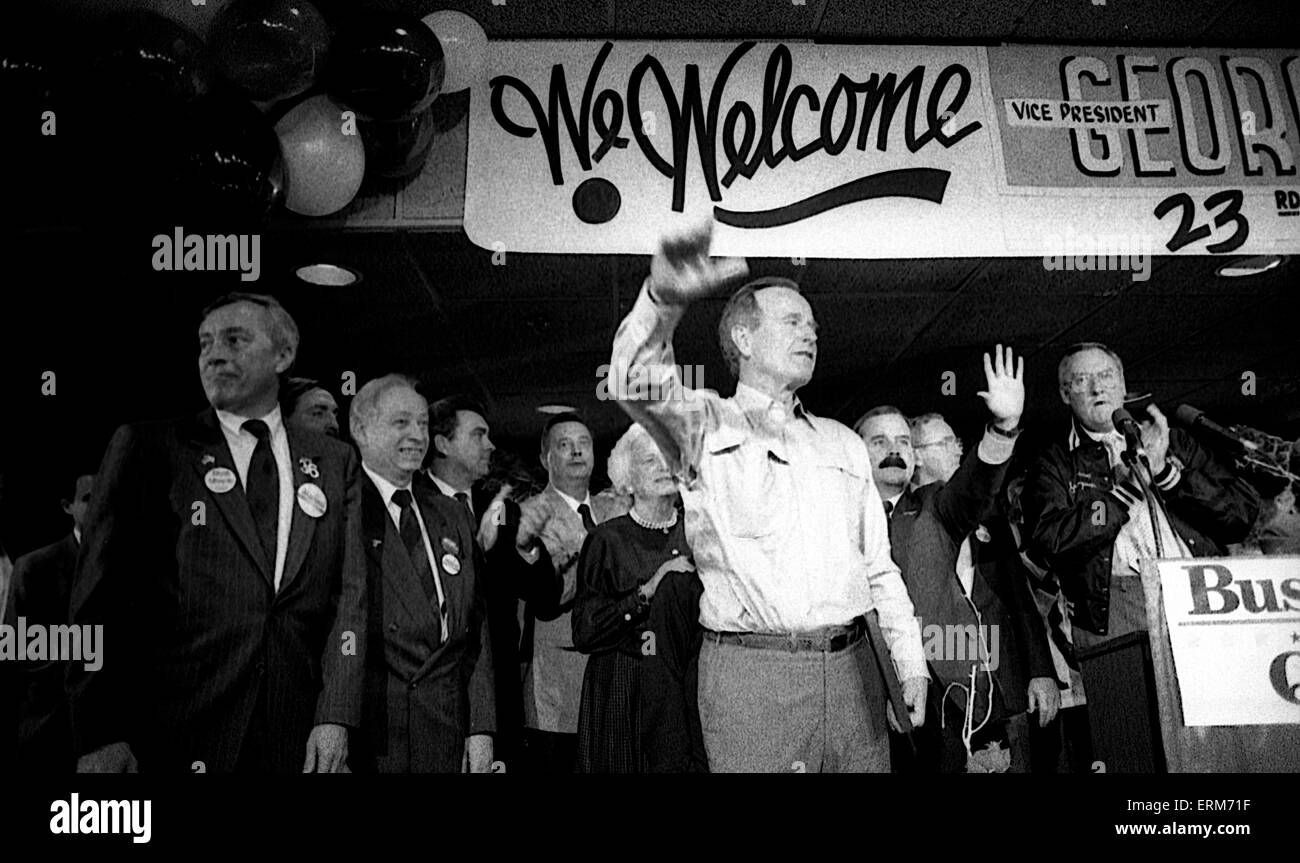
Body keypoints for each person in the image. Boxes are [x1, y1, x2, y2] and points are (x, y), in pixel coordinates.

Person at [609, 220, 927, 772]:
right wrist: (661, 300)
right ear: (744, 339)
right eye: (792, 321)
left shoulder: (844, 443)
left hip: (856, 673)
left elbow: (879, 570)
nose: (811, 333)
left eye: (813, 325)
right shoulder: (705, 426)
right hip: (754, 679)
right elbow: (633, 380)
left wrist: (911, 661)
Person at [68, 292, 366, 773]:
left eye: (235, 339)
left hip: (295, 735)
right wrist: (100, 732)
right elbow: (98, 600)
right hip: (171, 733)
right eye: (205, 342)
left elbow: (349, 597)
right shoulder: (149, 448)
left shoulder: (334, 461)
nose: (214, 353)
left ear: (283, 355)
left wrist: (335, 716)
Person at [861, 391, 1058, 773]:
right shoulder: (871, 520)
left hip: (1000, 678)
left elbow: (1021, 602)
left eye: (958, 442)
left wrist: (1040, 670)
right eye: (947, 442)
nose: (957, 451)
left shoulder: (963, 512)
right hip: (927, 690)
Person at [1021, 342, 1260, 648]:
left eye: (1106, 376)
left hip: (1200, 594)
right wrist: (1125, 493)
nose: (1097, 389)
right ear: (1066, 394)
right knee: (1133, 694)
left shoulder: (1175, 442)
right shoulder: (1055, 463)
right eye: (1081, 380)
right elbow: (1050, 540)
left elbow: (1239, 516)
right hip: (1115, 611)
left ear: (1122, 385)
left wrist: (1165, 474)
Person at [349, 375, 494, 772]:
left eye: (422, 425)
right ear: (361, 429)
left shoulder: (451, 515)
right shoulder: (343, 510)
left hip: (444, 731)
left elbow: (472, 629)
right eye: (401, 423)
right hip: (371, 733)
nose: (416, 435)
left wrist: (481, 727)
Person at [425, 394, 559, 770]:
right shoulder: (411, 507)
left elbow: (546, 599)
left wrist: (527, 548)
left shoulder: (503, 509)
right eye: (478, 435)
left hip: (498, 693)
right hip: (432, 691)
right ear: (443, 444)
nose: (491, 445)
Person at [571, 423, 695, 772]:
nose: (662, 467)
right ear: (627, 478)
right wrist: (647, 591)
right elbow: (584, 632)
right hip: (625, 687)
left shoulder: (699, 533)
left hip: (684, 684)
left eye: (669, 458)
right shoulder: (607, 540)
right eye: (648, 460)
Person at [518, 412, 627, 773]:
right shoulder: (529, 516)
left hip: (615, 677)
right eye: (564, 445)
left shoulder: (615, 510)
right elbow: (547, 596)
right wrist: (593, 550)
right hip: (558, 681)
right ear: (545, 458)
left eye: (584, 444)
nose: (576, 452)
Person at [8, 474, 94, 772]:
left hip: (119, 735)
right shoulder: (34, 567)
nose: (99, 506)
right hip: (49, 732)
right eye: (88, 499)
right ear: (67, 506)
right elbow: (16, 651)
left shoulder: (138, 566)